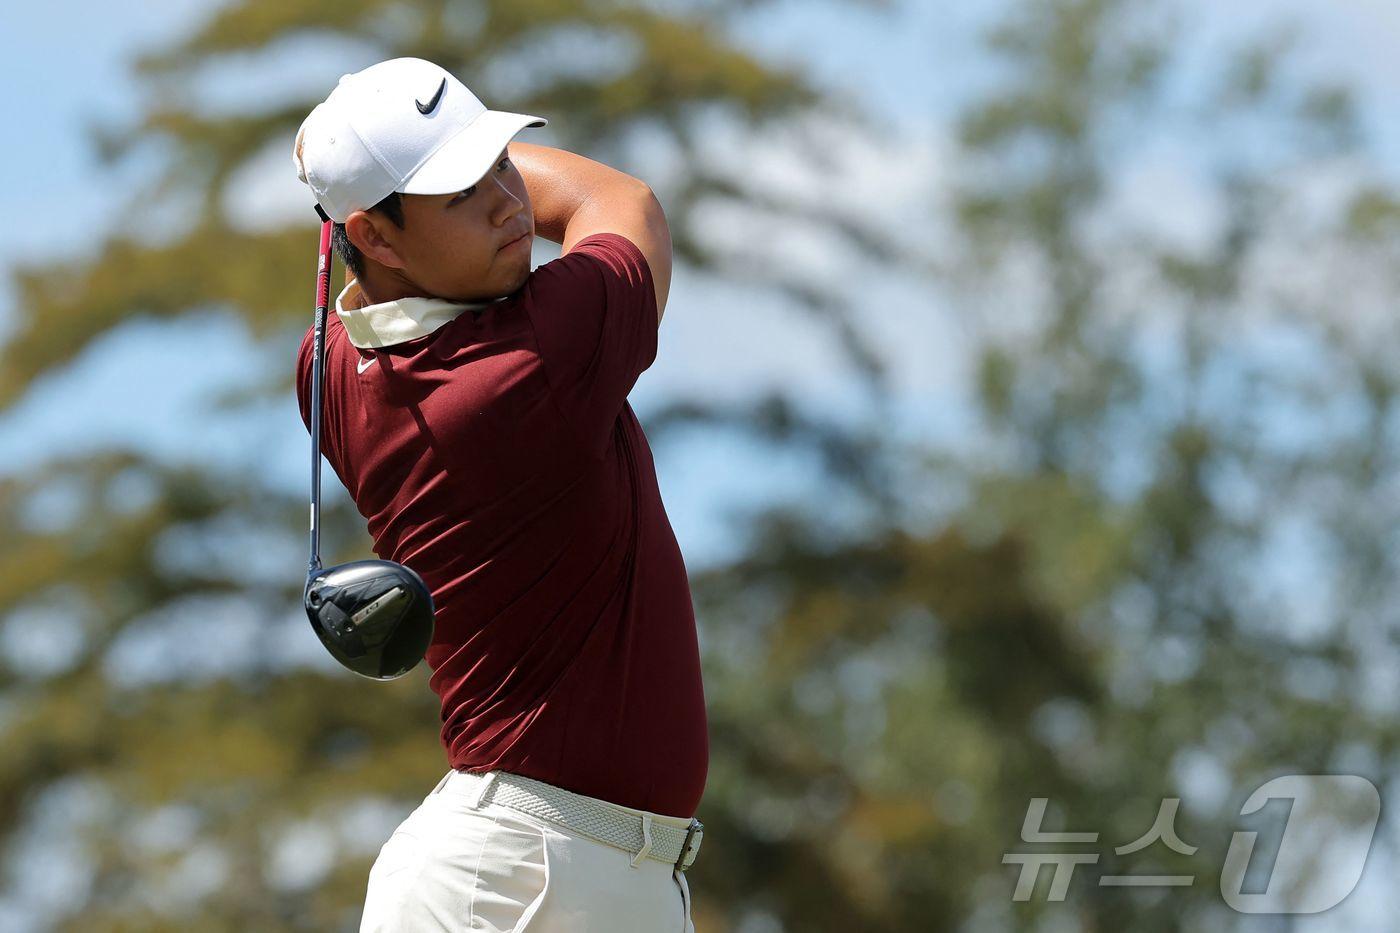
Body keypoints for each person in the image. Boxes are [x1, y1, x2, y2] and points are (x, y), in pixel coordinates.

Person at [290, 57, 708, 932]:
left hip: (580, 877)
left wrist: (354, 179)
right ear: (377, 236)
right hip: (511, 881)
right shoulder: (526, 365)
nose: (512, 205)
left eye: (504, 165)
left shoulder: (327, 370)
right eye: (461, 191)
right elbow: (624, 205)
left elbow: (348, 269)